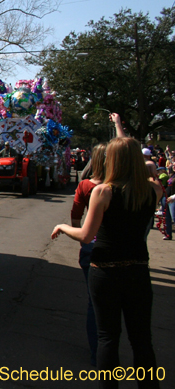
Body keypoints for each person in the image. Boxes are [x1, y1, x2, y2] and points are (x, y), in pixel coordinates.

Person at [52, 136, 162, 388]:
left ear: (112, 161)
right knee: (142, 339)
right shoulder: (153, 191)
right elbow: (149, 181)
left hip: (106, 272)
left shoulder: (103, 192)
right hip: (138, 271)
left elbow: (87, 235)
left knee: (108, 338)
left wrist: (63, 227)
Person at [69, 143, 107, 366]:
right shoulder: (121, 186)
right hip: (124, 252)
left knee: (95, 303)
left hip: (92, 248)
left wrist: (76, 233)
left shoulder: (86, 186)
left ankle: (98, 354)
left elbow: (75, 217)